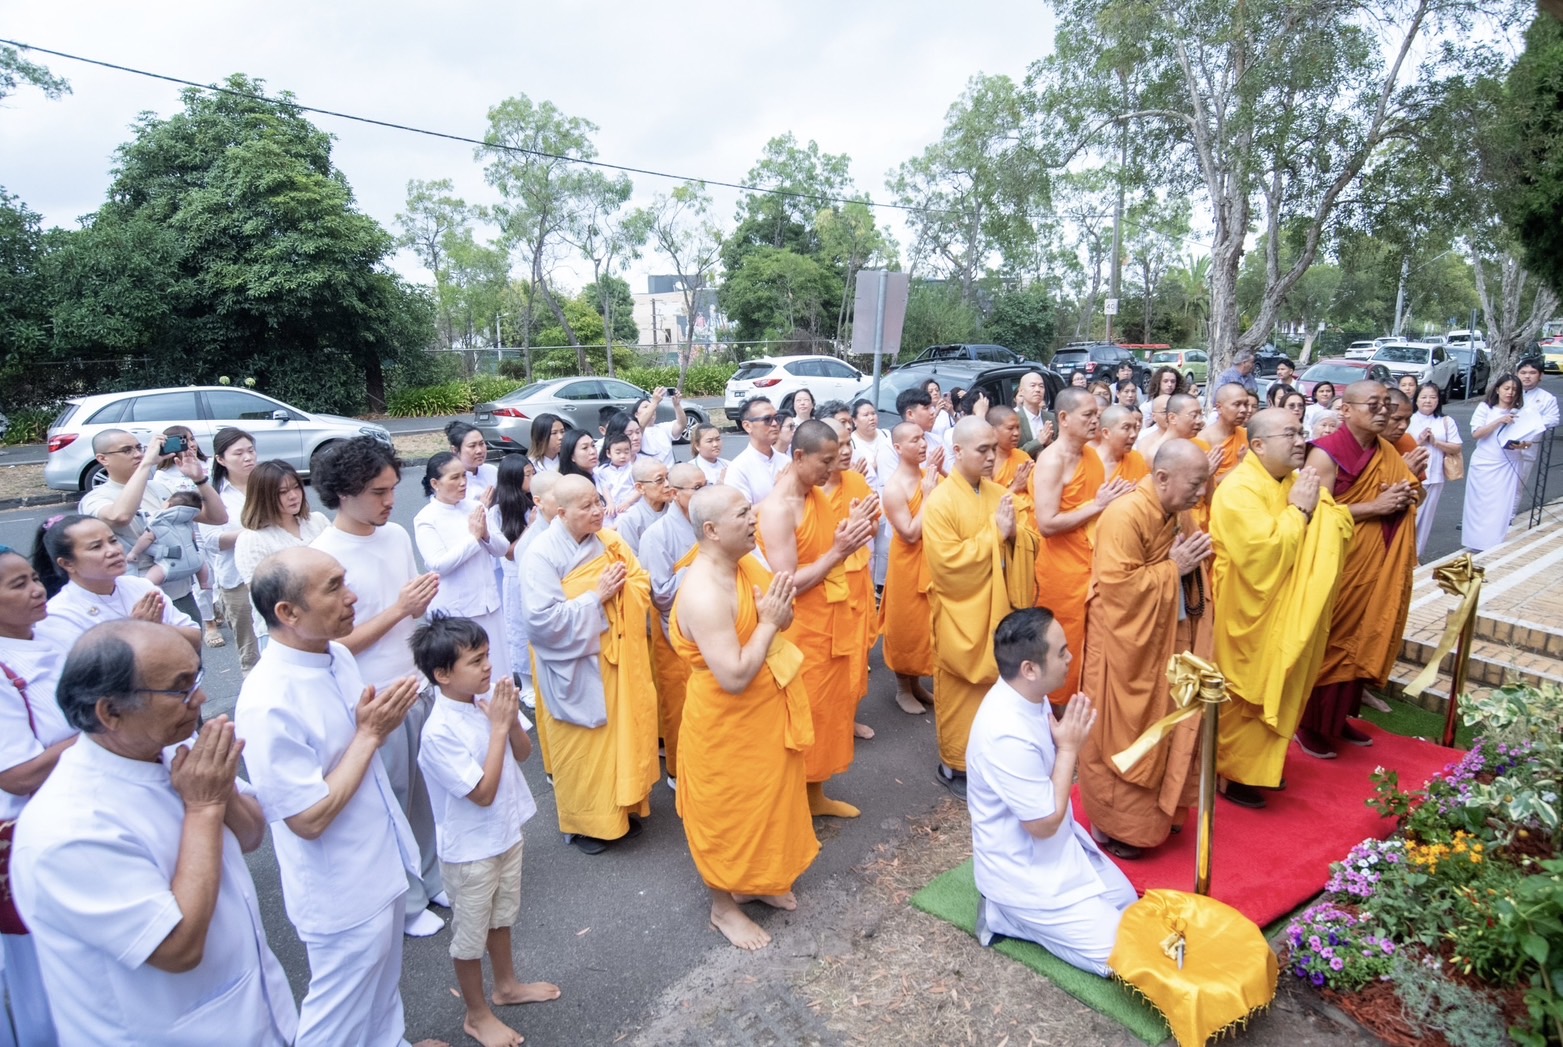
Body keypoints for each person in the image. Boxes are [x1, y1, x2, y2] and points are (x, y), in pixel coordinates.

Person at [12, 620, 298, 1046]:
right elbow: (178, 947)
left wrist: (221, 796)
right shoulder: (68, 827)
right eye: (180, 688)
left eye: (197, 678)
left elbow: (253, 834)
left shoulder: (165, 750)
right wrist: (203, 808)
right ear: (109, 712)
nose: (200, 698)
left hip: (257, 1012)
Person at [236, 548, 435, 1046]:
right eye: (333, 588)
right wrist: (370, 734)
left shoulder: (338, 654)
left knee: (384, 991)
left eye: (344, 581)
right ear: (287, 613)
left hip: (380, 856)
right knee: (339, 1012)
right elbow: (307, 819)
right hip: (340, 886)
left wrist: (378, 728)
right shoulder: (268, 700)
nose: (352, 597)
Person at [311, 437, 448, 939]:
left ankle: (433, 879)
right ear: (343, 493)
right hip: (373, 699)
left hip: (416, 683)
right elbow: (334, 642)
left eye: (393, 487)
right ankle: (408, 901)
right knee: (390, 800)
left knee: (428, 793)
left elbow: (417, 609)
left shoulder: (391, 537)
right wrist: (400, 610)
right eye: (378, 491)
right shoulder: (323, 556)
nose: (391, 500)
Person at [672, 486, 820, 951]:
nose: (755, 518)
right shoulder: (703, 593)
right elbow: (734, 675)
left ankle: (758, 879)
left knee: (769, 800)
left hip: (764, 711)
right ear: (712, 531)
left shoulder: (743, 566)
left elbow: (780, 617)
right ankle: (723, 906)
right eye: (742, 514)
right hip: (725, 723)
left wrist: (775, 617)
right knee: (727, 813)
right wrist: (770, 622)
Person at [412, 615, 558, 1047]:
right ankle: (476, 1014)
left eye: (487, 655)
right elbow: (482, 793)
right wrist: (497, 727)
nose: (487, 666)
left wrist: (509, 720)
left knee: (502, 915)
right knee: (470, 935)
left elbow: (524, 752)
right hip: (470, 850)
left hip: (504, 834)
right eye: (475, 661)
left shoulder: (482, 704)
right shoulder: (438, 731)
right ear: (442, 674)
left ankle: (507, 986)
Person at [966, 608, 1133, 976]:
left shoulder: (1031, 695)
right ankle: (1005, 915)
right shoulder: (1003, 732)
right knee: (1121, 957)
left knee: (1128, 903)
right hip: (1024, 870)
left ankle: (1037, 917)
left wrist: (1061, 743)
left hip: (1058, 849)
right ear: (1029, 669)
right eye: (1061, 652)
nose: (1070, 658)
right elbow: (1042, 825)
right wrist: (1069, 749)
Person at [1211, 409, 1353, 807]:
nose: (1299, 441)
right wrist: (1301, 511)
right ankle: (1230, 772)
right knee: (1245, 694)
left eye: (1301, 432)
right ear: (1258, 445)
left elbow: (1336, 525)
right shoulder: (1239, 490)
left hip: (1283, 606)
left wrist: (1314, 507)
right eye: (1288, 434)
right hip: (1246, 608)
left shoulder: (1293, 481)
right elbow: (1264, 556)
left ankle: (1262, 768)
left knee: (1281, 680)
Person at [1078, 441, 1213, 858]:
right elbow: (1119, 590)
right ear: (1162, 478)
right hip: (1124, 646)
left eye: (1204, 484)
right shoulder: (1124, 515)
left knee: (1170, 718)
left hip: (1168, 636)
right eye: (1195, 484)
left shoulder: (1179, 511)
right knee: (1124, 728)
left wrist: (1184, 567)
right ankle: (1119, 825)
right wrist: (1174, 569)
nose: (1201, 494)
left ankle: (1164, 810)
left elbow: (1190, 565)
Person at [520, 475, 659, 854]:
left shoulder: (610, 542)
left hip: (614, 660)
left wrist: (621, 593)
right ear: (560, 513)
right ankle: (585, 825)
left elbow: (641, 583)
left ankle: (621, 810)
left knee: (618, 740)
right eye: (586, 506)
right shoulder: (542, 554)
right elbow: (541, 621)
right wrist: (596, 596)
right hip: (573, 664)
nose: (598, 510)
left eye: (598, 501)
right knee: (582, 748)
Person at [756, 421, 877, 818]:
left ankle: (815, 795)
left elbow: (824, 545)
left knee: (829, 713)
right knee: (803, 717)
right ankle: (792, 803)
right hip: (801, 630)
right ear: (798, 457)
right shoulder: (778, 509)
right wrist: (838, 552)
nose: (832, 468)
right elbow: (786, 583)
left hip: (832, 621)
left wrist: (846, 530)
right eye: (825, 461)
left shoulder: (815, 497)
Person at [1298, 382, 1421, 759]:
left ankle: (1338, 719)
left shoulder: (1386, 450)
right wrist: (1377, 506)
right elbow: (1314, 512)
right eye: (1374, 404)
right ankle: (1309, 724)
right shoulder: (1325, 454)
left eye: (1387, 404)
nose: (1383, 411)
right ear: (1347, 410)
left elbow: (1412, 492)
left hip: (1378, 556)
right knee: (1333, 638)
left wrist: (1407, 493)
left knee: (1361, 635)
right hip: (1340, 558)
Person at [923, 417, 1039, 798]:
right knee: (961, 692)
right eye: (983, 450)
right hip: (962, 614)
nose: (992, 457)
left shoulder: (996, 493)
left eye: (994, 449)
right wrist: (996, 535)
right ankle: (955, 765)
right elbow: (947, 566)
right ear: (957, 452)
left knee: (996, 693)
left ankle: (992, 761)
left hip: (997, 609)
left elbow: (1025, 539)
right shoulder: (939, 502)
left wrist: (1012, 537)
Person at [0, 546, 74, 1047]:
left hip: (74, 820)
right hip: (28, 838)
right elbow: (19, 775)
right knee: (45, 988)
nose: (37, 589)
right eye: (17, 585)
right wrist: (99, 734)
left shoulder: (48, 635)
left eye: (32, 577)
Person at [1028, 389, 1133, 706]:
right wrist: (1098, 505)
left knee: (1095, 645)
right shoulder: (1051, 461)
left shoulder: (1091, 455)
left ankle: (1086, 713)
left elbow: (1099, 507)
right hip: (1064, 571)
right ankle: (1057, 719)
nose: (1095, 420)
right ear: (1063, 418)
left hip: (1096, 562)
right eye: (1087, 415)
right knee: (1065, 646)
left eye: (1096, 414)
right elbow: (1046, 524)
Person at [79, 427, 227, 622]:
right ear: (102, 459)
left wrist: (199, 479)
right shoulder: (97, 497)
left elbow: (218, 517)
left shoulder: (160, 488)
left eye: (139, 448)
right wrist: (146, 464)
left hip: (181, 594)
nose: (138, 454)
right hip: (139, 601)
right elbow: (120, 516)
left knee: (189, 651)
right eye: (127, 450)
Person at [416, 453, 513, 696]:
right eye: (455, 477)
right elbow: (438, 563)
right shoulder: (426, 518)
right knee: (468, 679)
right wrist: (473, 537)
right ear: (435, 484)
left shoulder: (476, 507)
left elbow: (502, 548)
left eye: (464, 476)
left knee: (498, 672)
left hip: (489, 603)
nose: (462, 483)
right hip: (458, 610)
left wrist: (486, 535)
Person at [34, 515, 201, 651]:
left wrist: (156, 628)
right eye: (96, 547)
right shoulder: (59, 614)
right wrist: (137, 629)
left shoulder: (141, 586)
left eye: (113, 541)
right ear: (67, 563)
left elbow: (194, 637)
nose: (113, 551)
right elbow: (87, 675)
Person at [639, 463, 706, 789]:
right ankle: (680, 773)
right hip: (674, 632)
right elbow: (661, 595)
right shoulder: (657, 535)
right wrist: (701, 565)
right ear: (674, 493)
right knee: (681, 707)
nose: (703, 493)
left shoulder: (708, 524)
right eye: (695, 488)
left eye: (705, 485)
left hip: (711, 625)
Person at [820, 419, 881, 741]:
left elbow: (873, 526)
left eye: (848, 444)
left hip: (857, 580)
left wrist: (861, 527)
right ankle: (823, 721)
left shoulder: (856, 481)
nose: (846, 451)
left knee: (856, 658)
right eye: (838, 445)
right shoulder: (807, 488)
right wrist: (847, 529)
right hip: (822, 588)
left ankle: (848, 717)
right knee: (825, 660)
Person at [879, 423, 939, 716]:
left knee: (926, 627)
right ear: (898, 448)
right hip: (907, 564)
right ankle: (903, 688)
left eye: (923, 438)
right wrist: (928, 496)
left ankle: (916, 685)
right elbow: (911, 533)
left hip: (933, 562)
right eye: (915, 440)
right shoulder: (894, 488)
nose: (923, 444)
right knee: (906, 628)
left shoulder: (930, 475)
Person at [233, 462, 330, 642]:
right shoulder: (252, 539)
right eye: (282, 492)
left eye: (296, 488)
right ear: (263, 496)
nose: (293, 496)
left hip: (326, 619)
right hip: (283, 631)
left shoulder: (317, 521)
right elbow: (261, 595)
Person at [148, 425, 226, 649]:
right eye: (182, 441)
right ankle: (209, 623)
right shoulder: (163, 475)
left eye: (192, 439)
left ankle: (218, 606)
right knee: (202, 579)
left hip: (216, 524)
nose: (190, 444)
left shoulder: (209, 464)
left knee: (221, 574)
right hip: (190, 530)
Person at [204, 427, 261, 670]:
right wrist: (255, 534)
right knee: (252, 653)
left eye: (250, 451)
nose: (248, 457)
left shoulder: (269, 482)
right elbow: (212, 540)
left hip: (279, 574)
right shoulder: (213, 493)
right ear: (220, 459)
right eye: (238, 453)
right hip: (237, 581)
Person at [1463, 374, 1531, 552]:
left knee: (1501, 505)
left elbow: (1527, 440)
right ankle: (1475, 542)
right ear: (1498, 389)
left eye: (1514, 390)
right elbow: (1476, 433)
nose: (1510, 393)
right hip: (1484, 462)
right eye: (1506, 388)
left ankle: (1494, 543)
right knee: (1479, 504)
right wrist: (1499, 420)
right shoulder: (1485, 408)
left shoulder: (1521, 412)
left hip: (1509, 462)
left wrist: (1522, 444)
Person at [1409, 383, 1463, 559]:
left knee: (1425, 520)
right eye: (1423, 397)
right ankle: (1403, 555)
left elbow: (1456, 447)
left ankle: (1416, 556)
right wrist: (1419, 441)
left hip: (1435, 476)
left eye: (1432, 397)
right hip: (1412, 475)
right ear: (1416, 399)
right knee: (1411, 517)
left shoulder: (1445, 421)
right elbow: (1398, 447)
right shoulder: (1408, 419)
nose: (1428, 401)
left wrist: (1435, 442)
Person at [727, 398, 789, 504]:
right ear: (748, 426)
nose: (774, 424)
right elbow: (743, 515)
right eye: (767, 419)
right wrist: (778, 491)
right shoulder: (738, 469)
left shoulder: (786, 461)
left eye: (777, 418)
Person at [1515, 357, 1559, 500]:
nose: (1527, 376)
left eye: (1532, 372)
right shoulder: (1508, 392)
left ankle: (1508, 519)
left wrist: (1529, 424)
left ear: (1540, 376)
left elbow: (1553, 419)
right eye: (1523, 372)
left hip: (1526, 451)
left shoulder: (1547, 398)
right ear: (1517, 374)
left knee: (1516, 488)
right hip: (1499, 451)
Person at [614, 458, 673, 554]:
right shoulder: (630, 522)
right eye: (659, 480)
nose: (667, 484)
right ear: (640, 487)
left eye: (668, 478)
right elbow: (631, 560)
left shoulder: (677, 509)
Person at [1202, 383, 1253, 487]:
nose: (1244, 410)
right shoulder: (1203, 440)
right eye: (1237, 404)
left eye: (1246, 404)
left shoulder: (1246, 434)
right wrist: (1240, 465)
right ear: (1219, 407)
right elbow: (1202, 484)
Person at [1383, 387, 1431, 482]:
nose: (1403, 426)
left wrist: (1410, 476)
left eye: (1408, 418)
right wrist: (1402, 472)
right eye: (1396, 419)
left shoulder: (1407, 442)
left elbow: (1419, 494)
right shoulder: (1362, 445)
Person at [632, 388, 689, 466]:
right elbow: (641, 424)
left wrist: (677, 405)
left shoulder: (663, 428)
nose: (652, 410)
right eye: (646, 407)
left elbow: (681, 424)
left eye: (653, 408)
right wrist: (654, 402)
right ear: (636, 414)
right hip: (648, 475)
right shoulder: (636, 431)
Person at [1095, 405, 1149, 485]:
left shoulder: (1136, 459)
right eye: (1126, 428)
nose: (1133, 434)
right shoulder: (1089, 463)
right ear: (1106, 433)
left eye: (1134, 428)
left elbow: (1147, 492)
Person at [447, 421, 499, 503]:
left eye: (482, 444)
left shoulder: (492, 471)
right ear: (455, 450)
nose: (479, 451)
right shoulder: (450, 481)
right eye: (472, 446)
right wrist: (482, 506)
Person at [594, 431, 638, 527]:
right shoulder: (603, 472)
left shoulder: (633, 470)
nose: (623, 456)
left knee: (624, 522)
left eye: (626, 452)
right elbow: (605, 488)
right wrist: (610, 503)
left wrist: (628, 502)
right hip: (612, 507)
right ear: (609, 454)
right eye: (618, 452)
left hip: (629, 507)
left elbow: (639, 490)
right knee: (603, 521)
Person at [1015, 371, 1054, 457]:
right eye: (1032, 386)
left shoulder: (1052, 418)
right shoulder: (1014, 419)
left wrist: (1049, 443)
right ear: (1021, 391)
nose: (1037, 390)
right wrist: (1038, 441)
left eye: (1041, 386)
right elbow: (1012, 454)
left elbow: (1062, 448)